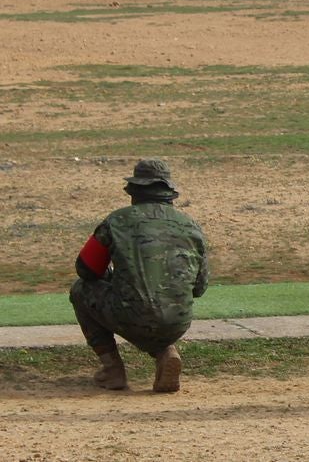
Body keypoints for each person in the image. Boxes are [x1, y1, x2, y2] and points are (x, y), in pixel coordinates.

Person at [69, 158, 209, 393]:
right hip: (178, 322)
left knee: (80, 291)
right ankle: (165, 351)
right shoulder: (191, 226)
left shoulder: (117, 221)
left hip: (131, 314)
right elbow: (199, 287)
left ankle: (112, 369)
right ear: (169, 193)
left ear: (134, 191)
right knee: (157, 308)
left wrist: (113, 276)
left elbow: (86, 270)